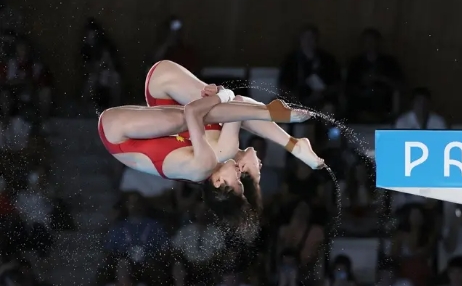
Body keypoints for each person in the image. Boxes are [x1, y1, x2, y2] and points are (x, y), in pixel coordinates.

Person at [98, 88, 311, 235]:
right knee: (200, 115)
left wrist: (223, 95)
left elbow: (201, 111)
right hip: (121, 137)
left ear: (218, 182)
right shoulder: (210, 165)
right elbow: (233, 109)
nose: (239, 172)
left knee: (191, 117)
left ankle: (278, 124)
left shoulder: (208, 163)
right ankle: (277, 123)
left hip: (116, 134)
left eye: (238, 181)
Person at [144, 60, 325, 171]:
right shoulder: (221, 153)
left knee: (224, 110)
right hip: (167, 95)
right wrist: (221, 95)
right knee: (225, 112)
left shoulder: (224, 152)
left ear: (242, 169)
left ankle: (289, 137)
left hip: (163, 90)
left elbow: (236, 103)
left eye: (257, 172)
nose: (261, 165)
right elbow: (237, 107)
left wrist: (222, 95)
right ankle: (293, 144)